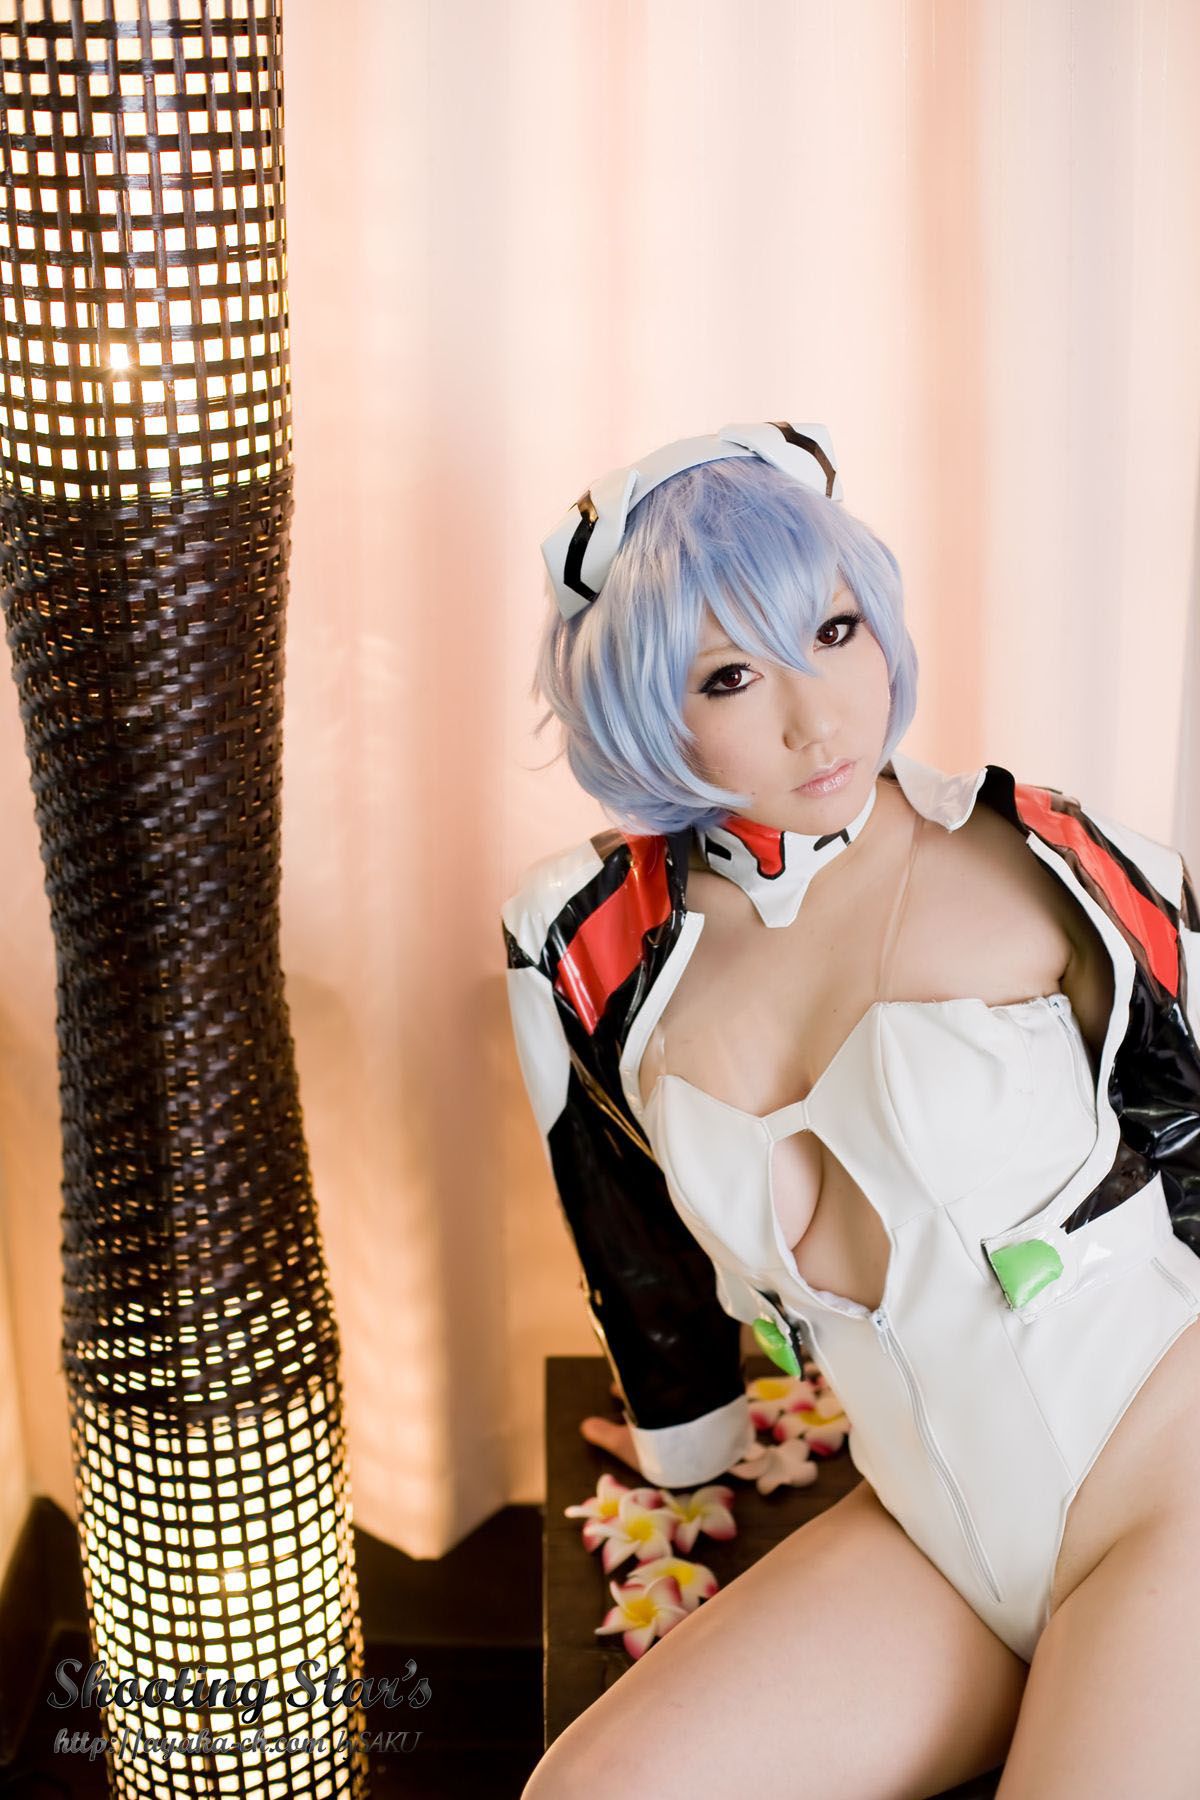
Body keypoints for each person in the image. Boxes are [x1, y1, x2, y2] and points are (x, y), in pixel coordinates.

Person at [500, 421, 1200, 1797]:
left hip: (1169, 1484)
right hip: (933, 1528)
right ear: (643, 709)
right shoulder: (598, 951)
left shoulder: (1037, 854)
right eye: (731, 674)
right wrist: (686, 1435)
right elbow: (620, 1218)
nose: (818, 715)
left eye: (835, 631)